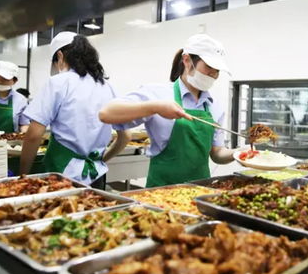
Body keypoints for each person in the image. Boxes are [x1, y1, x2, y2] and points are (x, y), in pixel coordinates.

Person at [100, 34, 235, 187]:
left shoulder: (214, 106)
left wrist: (239, 154)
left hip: (201, 191)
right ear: (187, 60)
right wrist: (156, 107)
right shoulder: (158, 93)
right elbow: (107, 113)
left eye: (217, 70)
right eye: (209, 67)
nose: (213, 74)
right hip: (160, 193)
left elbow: (217, 153)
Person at [20, 32, 131, 188]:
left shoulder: (58, 83)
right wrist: (101, 160)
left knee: (62, 212)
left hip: (62, 174)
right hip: (96, 175)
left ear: (60, 56)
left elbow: (34, 135)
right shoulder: (107, 87)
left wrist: (23, 175)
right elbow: (125, 136)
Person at [0, 61, 29, 133]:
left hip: (9, 142)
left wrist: (24, 134)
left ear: (14, 81)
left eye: (5, 78)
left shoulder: (21, 100)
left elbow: (24, 124)